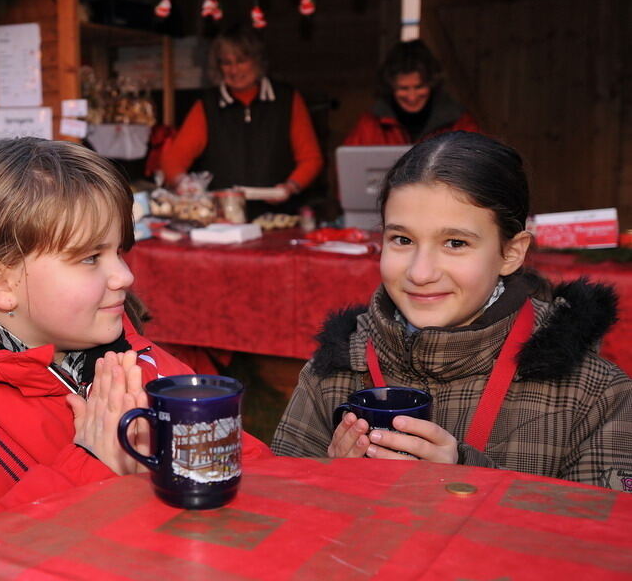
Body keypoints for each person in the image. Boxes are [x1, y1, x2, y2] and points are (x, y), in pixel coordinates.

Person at [0, 138, 267, 580]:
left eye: (118, 251)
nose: (124, 276)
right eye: (91, 257)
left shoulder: (148, 368)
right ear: (1, 284)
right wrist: (89, 467)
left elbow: (258, 486)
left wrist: (326, 477)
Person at [271, 131, 632, 491]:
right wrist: (328, 484)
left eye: (455, 243)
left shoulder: (597, 396)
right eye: (402, 239)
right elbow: (277, 511)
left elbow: (599, 543)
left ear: (511, 253)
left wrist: (468, 479)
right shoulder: (336, 369)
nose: (420, 273)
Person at [160, 25, 323, 216]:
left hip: (280, 216)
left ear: (258, 61)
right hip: (224, 218)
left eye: (241, 61)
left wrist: (289, 187)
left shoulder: (287, 100)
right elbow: (173, 159)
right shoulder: (208, 106)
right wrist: (184, 184)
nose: (234, 70)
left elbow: (311, 159)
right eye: (226, 63)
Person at [344, 39, 480, 145]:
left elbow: (480, 163)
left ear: (432, 84)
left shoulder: (459, 122)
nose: (412, 97)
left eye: (419, 87)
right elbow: (347, 169)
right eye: (403, 88)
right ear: (390, 86)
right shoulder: (370, 124)